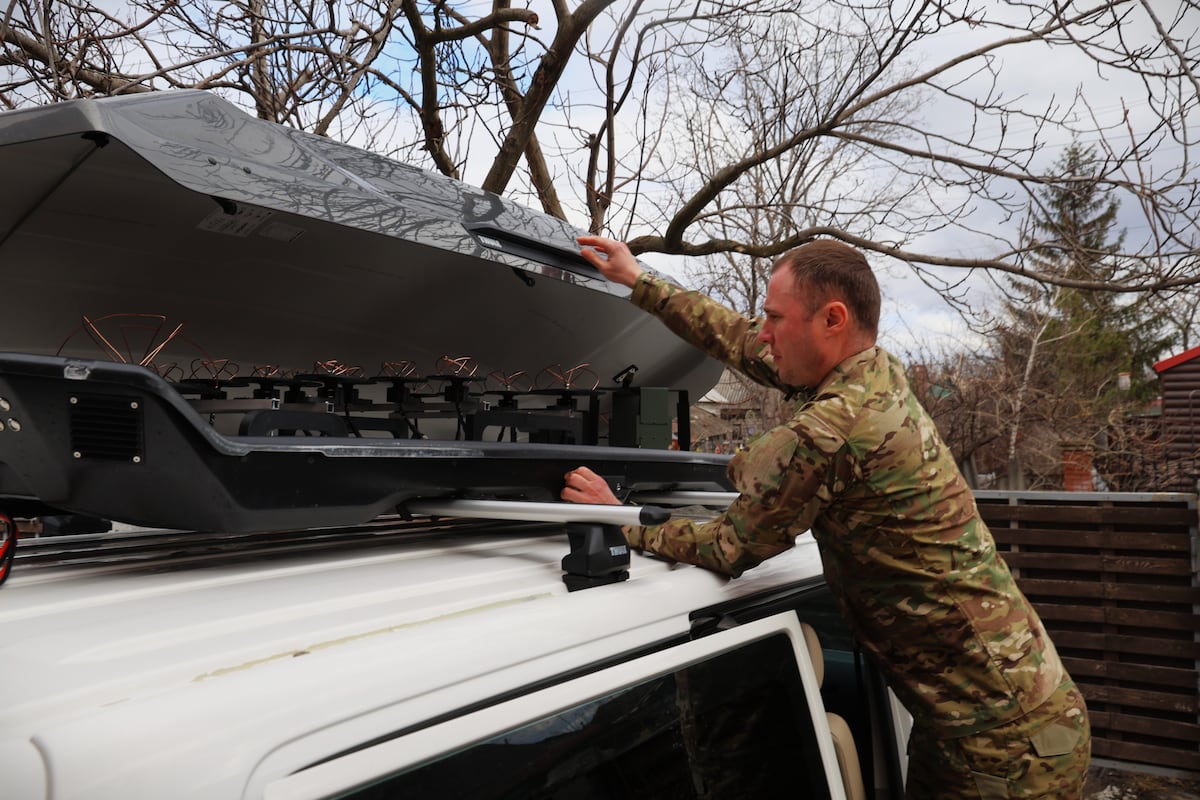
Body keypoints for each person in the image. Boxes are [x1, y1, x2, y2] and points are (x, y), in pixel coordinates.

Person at [561, 235, 1091, 800]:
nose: (764, 332)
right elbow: (740, 339)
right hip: (999, 719)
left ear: (832, 319)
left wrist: (621, 520)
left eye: (774, 317)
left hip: (1003, 751)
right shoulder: (871, 372)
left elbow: (728, 548)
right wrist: (639, 280)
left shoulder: (835, 430)